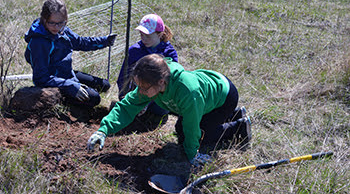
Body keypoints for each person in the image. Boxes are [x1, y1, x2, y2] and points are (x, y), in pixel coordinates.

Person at [87, 54, 252, 166]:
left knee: (196, 134)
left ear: (160, 82)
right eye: (138, 86)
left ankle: (239, 127)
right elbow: (126, 106)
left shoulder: (187, 92)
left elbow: (191, 126)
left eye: (143, 88)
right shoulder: (152, 82)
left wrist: (192, 154)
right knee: (182, 131)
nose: (140, 92)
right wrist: (103, 130)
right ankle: (233, 115)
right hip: (204, 97)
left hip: (224, 97)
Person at [24, 0, 117, 107]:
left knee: (104, 85)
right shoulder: (39, 42)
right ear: (44, 19)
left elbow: (80, 42)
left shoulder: (63, 31)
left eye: (60, 23)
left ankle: (73, 89)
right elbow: (41, 78)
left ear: (65, 20)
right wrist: (71, 86)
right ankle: (62, 103)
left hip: (65, 73)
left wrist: (105, 41)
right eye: (52, 23)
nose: (56, 27)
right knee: (94, 98)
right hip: (51, 81)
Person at [117, 14, 178, 117]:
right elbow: (123, 76)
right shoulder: (134, 50)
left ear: (159, 34)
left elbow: (170, 82)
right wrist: (126, 95)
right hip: (136, 93)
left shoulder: (169, 53)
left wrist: (147, 102)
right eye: (141, 34)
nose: (143, 39)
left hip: (157, 97)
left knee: (160, 111)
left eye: (148, 36)